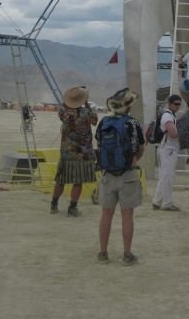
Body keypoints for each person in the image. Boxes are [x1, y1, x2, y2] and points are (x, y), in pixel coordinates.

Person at [96, 88, 144, 266]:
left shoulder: (104, 122)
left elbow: (99, 144)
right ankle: (127, 254)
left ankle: (102, 252)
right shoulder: (133, 123)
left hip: (108, 173)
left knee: (106, 214)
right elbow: (140, 147)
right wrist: (132, 160)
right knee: (127, 216)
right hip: (128, 175)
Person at [50, 86, 98, 216]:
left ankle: (54, 204)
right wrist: (86, 103)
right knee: (78, 181)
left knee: (61, 179)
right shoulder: (86, 113)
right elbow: (94, 121)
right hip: (82, 152)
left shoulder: (62, 111)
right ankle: (72, 207)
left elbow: (63, 107)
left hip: (66, 151)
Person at [152, 94, 183, 211]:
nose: (178, 106)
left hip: (166, 148)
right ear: (170, 104)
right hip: (168, 149)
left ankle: (157, 200)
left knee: (164, 176)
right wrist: (183, 132)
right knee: (168, 177)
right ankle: (167, 203)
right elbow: (173, 133)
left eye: (179, 104)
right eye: (176, 104)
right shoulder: (168, 117)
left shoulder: (168, 115)